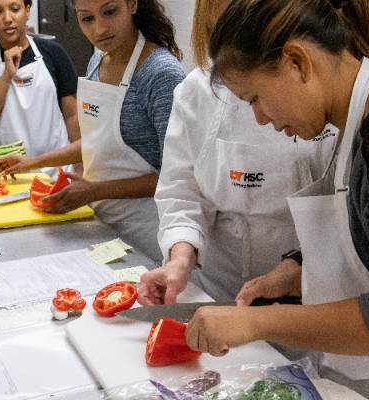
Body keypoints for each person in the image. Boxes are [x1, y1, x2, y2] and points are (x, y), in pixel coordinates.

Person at [185, 0, 369, 399]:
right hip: (359, 379)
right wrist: (296, 267)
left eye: (255, 98)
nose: (260, 118)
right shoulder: (352, 121)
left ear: (297, 62)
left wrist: (259, 324)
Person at [138, 0, 336, 304]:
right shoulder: (196, 92)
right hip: (219, 285)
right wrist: (180, 258)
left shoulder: (319, 93)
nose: (260, 115)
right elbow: (181, 190)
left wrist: (296, 269)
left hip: (308, 288)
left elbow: (340, 216)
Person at [0, 0, 185, 261]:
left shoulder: (160, 73)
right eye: (87, 18)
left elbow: (175, 178)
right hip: (101, 223)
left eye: (109, 12)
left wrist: (94, 190)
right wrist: (32, 162)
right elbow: (100, 143)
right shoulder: (98, 59)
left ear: (132, 4)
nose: (99, 29)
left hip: (150, 232)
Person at [0, 0, 80, 178]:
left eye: (15, 9)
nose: (7, 18)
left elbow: (72, 116)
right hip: (8, 174)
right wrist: (7, 75)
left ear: (27, 11)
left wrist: (81, 168)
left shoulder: (54, 53)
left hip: (56, 171)